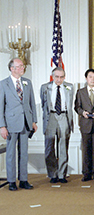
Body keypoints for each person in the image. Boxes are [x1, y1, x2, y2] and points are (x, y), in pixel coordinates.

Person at [0, 58, 38, 191]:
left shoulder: (27, 82)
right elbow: (0, 107)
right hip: (10, 124)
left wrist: (33, 120)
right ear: (12, 68)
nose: (23, 68)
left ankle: (23, 180)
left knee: (24, 153)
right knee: (10, 153)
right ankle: (11, 181)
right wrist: (2, 126)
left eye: (23, 66)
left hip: (26, 123)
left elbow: (31, 103)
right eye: (20, 66)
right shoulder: (3, 84)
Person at [40, 67, 74, 183]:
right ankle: (52, 174)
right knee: (49, 147)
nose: (59, 79)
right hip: (51, 117)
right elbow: (43, 104)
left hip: (64, 116)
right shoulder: (45, 87)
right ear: (52, 76)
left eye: (61, 77)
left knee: (63, 146)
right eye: (56, 77)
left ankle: (62, 175)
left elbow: (70, 104)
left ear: (64, 77)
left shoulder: (69, 87)